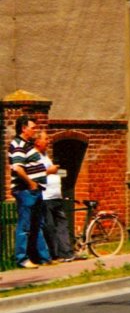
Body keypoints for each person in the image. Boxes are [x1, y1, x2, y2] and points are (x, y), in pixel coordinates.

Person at [8, 115, 53, 269]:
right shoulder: (18, 144)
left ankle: (43, 257)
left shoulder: (27, 145)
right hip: (26, 190)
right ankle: (22, 259)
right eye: (32, 128)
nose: (35, 131)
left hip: (35, 190)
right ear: (23, 128)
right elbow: (17, 167)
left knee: (37, 225)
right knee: (25, 225)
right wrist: (31, 182)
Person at [36, 132, 74, 262]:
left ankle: (66, 253)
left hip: (56, 195)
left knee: (62, 224)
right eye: (45, 139)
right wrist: (51, 171)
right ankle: (54, 254)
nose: (48, 141)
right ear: (37, 142)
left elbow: (52, 171)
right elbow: (36, 174)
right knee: (50, 227)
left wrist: (60, 173)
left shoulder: (46, 155)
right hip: (46, 197)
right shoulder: (35, 157)